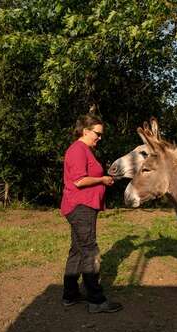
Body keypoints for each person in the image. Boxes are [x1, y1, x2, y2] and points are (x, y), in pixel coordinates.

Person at [60, 113, 123, 313]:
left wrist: (104, 179)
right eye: (97, 133)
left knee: (77, 250)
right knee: (89, 251)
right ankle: (96, 301)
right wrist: (102, 180)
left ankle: (70, 295)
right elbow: (79, 180)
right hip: (81, 207)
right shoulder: (78, 150)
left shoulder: (83, 149)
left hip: (81, 206)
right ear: (85, 131)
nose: (100, 137)